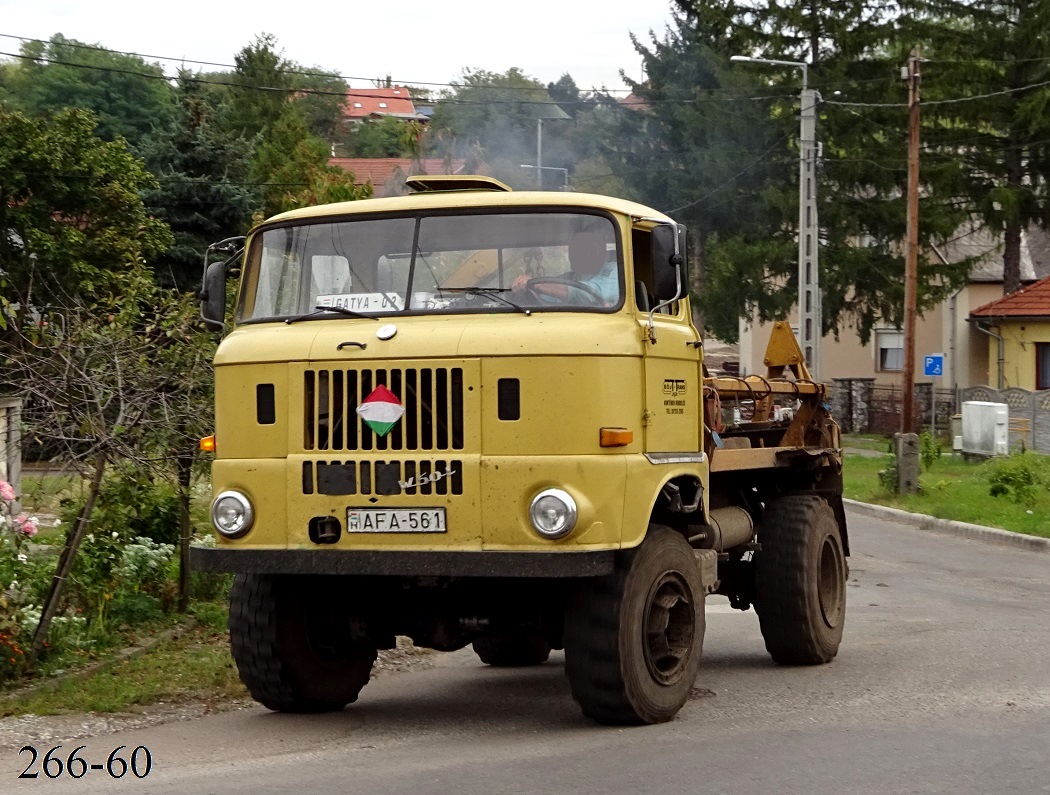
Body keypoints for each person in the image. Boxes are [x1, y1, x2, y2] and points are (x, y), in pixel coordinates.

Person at [510, 231, 619, 306]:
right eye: (572, 250)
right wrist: (522, 288)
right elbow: (543, 296)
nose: (573, 255)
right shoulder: (569, 277)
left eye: (579, 249)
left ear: (596, 252)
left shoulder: (614, 271)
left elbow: (588, 294)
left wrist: (538, 285)